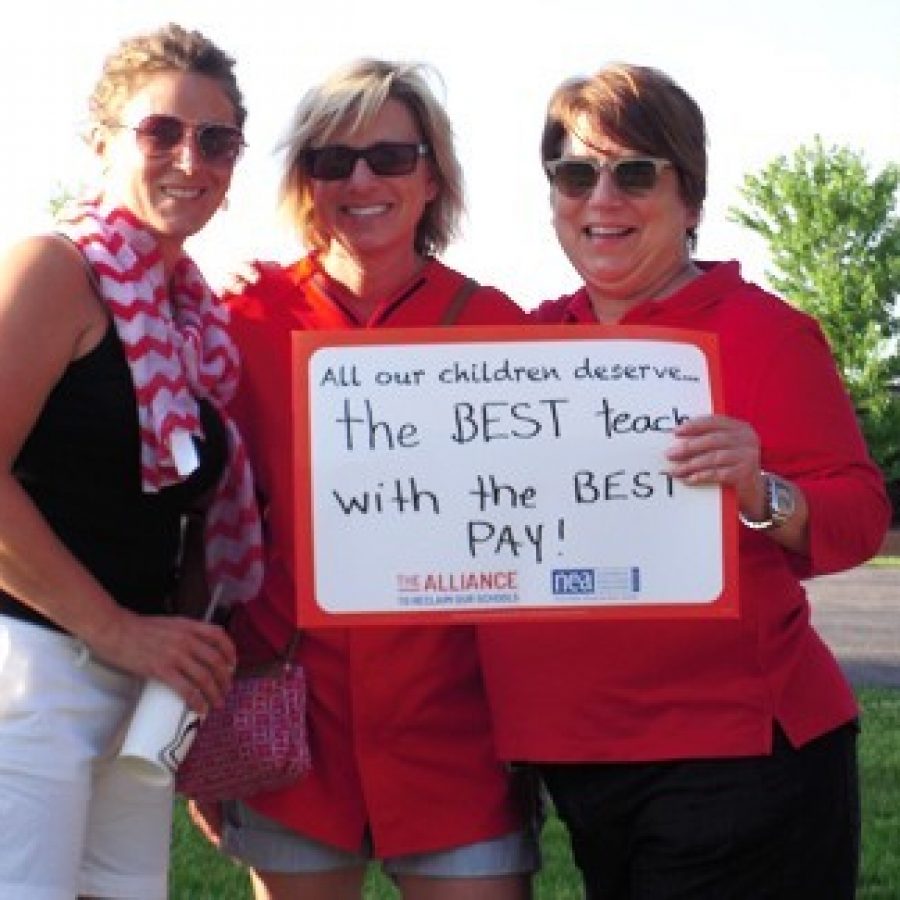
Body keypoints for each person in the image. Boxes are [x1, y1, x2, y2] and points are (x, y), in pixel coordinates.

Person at [477, 63, 892, 900]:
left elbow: (859, 513)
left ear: (690, 200)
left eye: (636, 173)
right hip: (582, 759)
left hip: (741, 760)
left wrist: (762, 491)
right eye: (574, 174)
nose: (603, 198)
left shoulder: (767, 333)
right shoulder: (522, 348)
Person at [189, 59, 538, 900]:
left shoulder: (500, 328)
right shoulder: (240, 320)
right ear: (305, 182)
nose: (361, 180)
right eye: (331, 161)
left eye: (389, 156)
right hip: (293, 723)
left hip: (457, 733)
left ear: (432, 176)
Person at [0, 22, 262, 899]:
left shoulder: (194, 322)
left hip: (137, 688)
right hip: (30, 673)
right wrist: (116, 631)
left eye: (217, 139)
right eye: (162, 132)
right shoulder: (52, 270)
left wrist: (180, 648)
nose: (192, 158)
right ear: (103, 142)